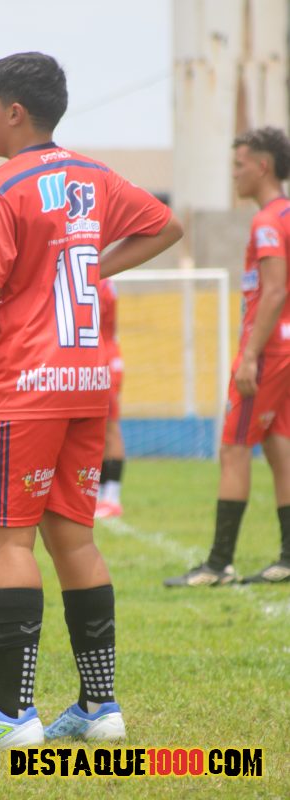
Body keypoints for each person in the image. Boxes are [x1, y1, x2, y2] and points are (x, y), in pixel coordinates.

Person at [0, 52, 182, 750]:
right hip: (86, 383)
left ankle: (13, 716)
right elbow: (165, 226)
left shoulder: (0, 185)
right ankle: (99, 707)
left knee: (5, 539)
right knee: (74, 537)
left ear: (15, 112)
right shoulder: (93, 176)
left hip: (25, 383)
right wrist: (94, 266)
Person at [164, 126, 290, 588]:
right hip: (285, 345)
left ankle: (218, 565)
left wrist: (251, 355)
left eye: (239, 165)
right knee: (278, 444)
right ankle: (288, 557)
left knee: (233, 447)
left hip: (269, 349)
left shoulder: (267, 221)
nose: (234, 174)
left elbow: (275, 290)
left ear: (263, 166)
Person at [95, 277, 126, 518]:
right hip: (102, 356)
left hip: (103, 360)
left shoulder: (99, 281)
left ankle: (112, 497)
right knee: (97, 429)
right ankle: (100, 494)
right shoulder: (103, 279)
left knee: (109, 428)